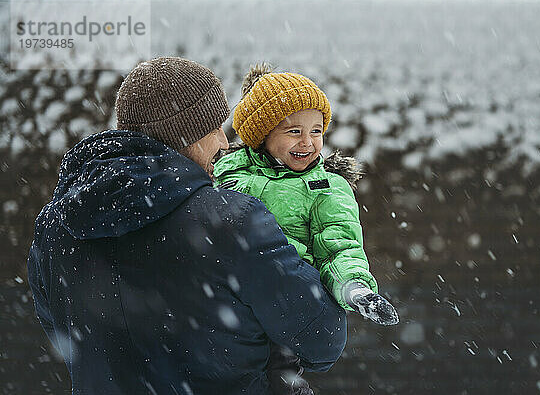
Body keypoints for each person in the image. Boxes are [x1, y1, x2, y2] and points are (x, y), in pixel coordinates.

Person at [27, 57, 347, 395]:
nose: (225, 143)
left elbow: (64, 338)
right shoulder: (230, 221)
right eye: (214, 129)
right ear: (187, 136)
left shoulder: (55, 227)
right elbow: (322, 338)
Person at [212, 64, 398, 393]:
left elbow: (339, 245)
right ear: (262, 134)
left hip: (283, 300)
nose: (309, 142)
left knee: (275, 371)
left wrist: (356, 290)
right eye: (294, 131)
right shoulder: (227, 171)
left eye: (316, 131)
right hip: (223, 299)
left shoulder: (326, 186)